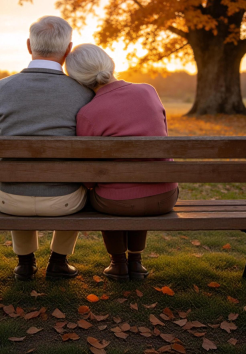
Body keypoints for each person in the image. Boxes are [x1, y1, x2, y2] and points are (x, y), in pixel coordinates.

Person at [0, 16, 94, 280]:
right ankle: (58, 261)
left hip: (10, 200)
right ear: (68, 50)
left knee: (13, 174)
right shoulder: (83, 92)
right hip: (64, 201)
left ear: (28, 46)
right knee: (82, 186)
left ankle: (25, 263)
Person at [65, 44, 178, 281]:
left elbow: (88, 175)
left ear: (78, 80)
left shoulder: (87, 113)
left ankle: (118, 264)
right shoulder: (148, 91)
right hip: (165, 196)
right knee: (139, 183)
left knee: (109, 193)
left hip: (116, 203)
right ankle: (135, 262)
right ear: (110, 62)